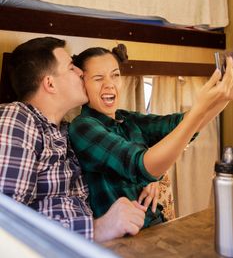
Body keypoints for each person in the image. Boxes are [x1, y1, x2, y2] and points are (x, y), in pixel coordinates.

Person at [0, 37, 147, 243]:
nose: (80, 72)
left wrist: (148, 178)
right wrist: (97, 228)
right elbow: (5, 221)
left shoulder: (67, 130)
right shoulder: (19, 117)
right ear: (50, 83)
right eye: (71, 67)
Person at [69, 45, 233, 228]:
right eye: (98, 78)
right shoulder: (82, 127)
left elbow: (177, 125)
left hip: (155, 226)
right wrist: (199, 108)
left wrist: (224, 98)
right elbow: (140, 166)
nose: (110, 84)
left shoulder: (126, 119)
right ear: (82, 83)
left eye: (115, 75)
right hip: (125, 239)